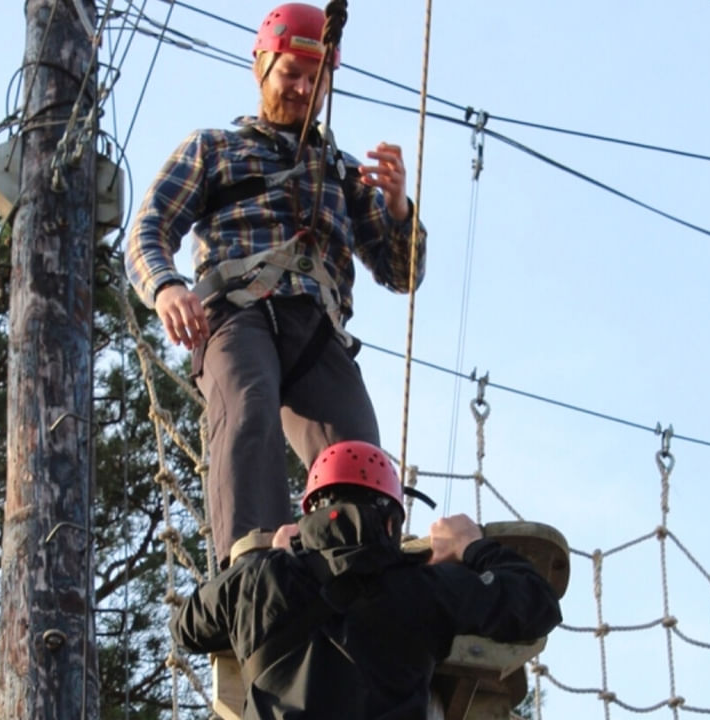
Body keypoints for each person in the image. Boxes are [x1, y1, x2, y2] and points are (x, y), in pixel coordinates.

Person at [125, 2, 427, 567]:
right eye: (291, 74)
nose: (303, 89)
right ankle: (252, 563)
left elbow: (401, 274)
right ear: (260, 64)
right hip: (238, 316)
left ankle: (359, 569)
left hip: (316, 329)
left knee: (356, 450)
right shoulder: (214, 148)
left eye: (317, 79)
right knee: (249, 408)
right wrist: (166, 288)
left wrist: (398, 207)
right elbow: (149, 227)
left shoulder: (340, 172)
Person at [170, 440, 563, 720]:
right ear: (391, 523)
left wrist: (272, 562)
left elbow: (185, 629)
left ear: (310, 512)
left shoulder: (259, 580)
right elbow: (537, 604)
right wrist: (472, 547)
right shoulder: (422, 589)